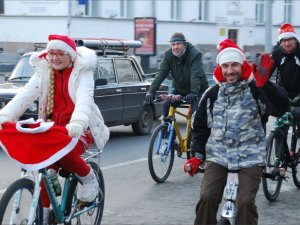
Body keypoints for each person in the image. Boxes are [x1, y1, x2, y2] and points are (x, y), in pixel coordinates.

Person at [0, 34, 110, 225]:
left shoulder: (82, 71)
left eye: (60, 53)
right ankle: (43, 216)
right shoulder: (44, 70)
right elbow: (24, 96)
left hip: (81, 127)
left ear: (70, 55)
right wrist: (5, 116)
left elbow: (84, 99)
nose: (55, 58)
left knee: (65, 155)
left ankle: (89, 179)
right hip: (53, 129)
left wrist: (78, 122)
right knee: (43, 166)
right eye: (52, 53)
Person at [184, 38, 289, 225]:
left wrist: (266, 85)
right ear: (219, 68)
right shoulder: (212, 94)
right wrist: (197, 155)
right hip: (218, 157)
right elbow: (200, 129)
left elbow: (280, 108)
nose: (230, 70)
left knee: (246, 203)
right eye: (225, 66)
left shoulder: (256, 90)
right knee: (207, 198)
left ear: (242, 66)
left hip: (250, 158)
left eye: (234, 65)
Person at [145, 32, 209, 117]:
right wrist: (151, 91)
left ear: (185, 44)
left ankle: (195, 130)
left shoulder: (195, 54)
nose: (175, 47)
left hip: (198, 90)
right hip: (181, 89)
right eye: (173, 44)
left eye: (178, 44)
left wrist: (193, 92)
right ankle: (167, 129)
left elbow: (195, 75)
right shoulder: (168, 55)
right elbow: (161, 73)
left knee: (196, 113)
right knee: (166, 106)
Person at [269, 23, 300, 165]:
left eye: (289, 40)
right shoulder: (277, 53)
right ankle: (279, 161)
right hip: (283, 95)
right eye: (283, 40)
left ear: (295, 41)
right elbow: (265, 73)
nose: (287, 43)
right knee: (280, 129)